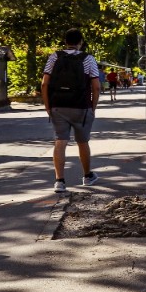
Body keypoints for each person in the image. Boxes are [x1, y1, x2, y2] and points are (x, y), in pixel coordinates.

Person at [41, 28, 102, 193]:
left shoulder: (55, 57)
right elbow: (96, 86)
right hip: (81, 107)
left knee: (60, 142)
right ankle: (87, 176)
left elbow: (45, 83)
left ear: (65, 41)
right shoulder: (88, 59)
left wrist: (48, 106)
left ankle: (59, 181)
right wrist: (92, 107)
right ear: (80, 42)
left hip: (58, 105)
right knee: (82, 142)